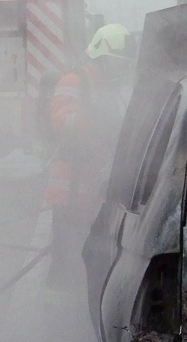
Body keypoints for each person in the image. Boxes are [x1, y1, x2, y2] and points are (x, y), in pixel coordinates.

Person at [45, 22, 135, 287]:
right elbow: (62, 122)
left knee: (86, 259)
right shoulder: (74, 81)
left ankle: (77, 300)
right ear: (103, 57)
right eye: (118, 63)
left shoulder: (104, 85)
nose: (121, 70)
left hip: (91, 193)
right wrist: (98, 120)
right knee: (66, 260)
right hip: (69, 192)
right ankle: (55, 305)